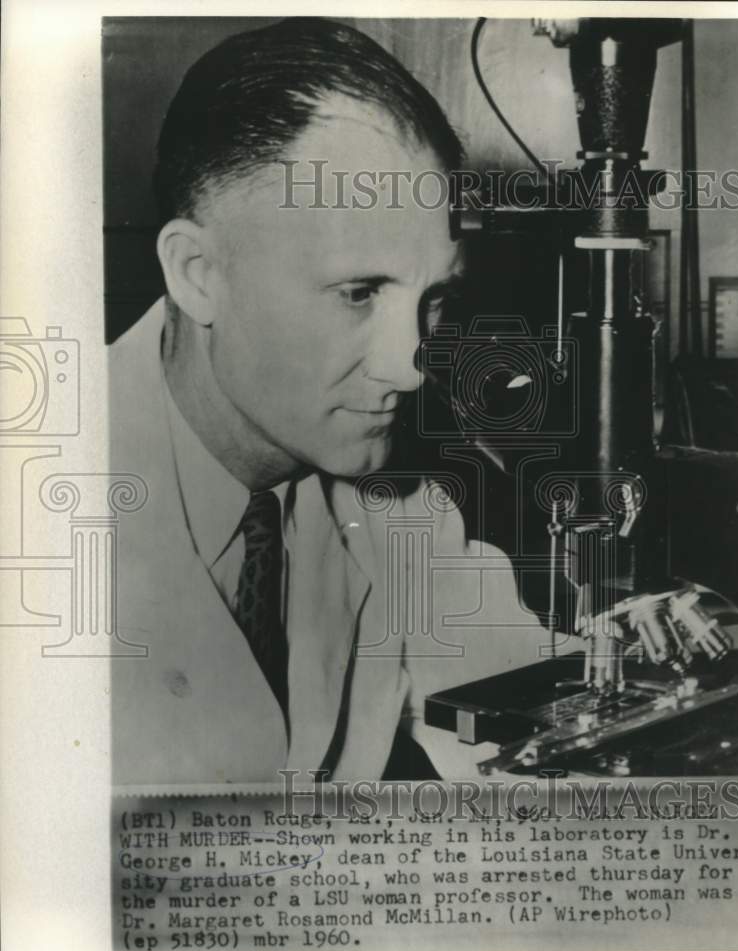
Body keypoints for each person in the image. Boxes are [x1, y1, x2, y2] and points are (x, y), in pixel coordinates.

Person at [110, 17, 558, 787]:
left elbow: (519, 689)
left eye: (435, 297)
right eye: (358, 293)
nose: (410, 369)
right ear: (197, 272)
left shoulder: (399, 503)